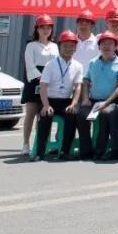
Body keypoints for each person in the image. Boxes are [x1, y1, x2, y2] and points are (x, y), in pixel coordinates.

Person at [32, 31, 85, 161]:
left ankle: (65, 151)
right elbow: (43, 86)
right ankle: (39, 153)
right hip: (50, 100)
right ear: (59, 46)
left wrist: (74, 104)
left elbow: (78, 87)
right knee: (45, 117)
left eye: (71, 46)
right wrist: (46, 105)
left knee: (72, 116)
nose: (68, 49)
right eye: (65, 46)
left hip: (67, 101)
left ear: (75, 48)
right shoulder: (50, 64)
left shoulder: (78, 66)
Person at [77, 32, 118, 160]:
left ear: (115, 47)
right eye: (103, 44)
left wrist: (106, 103)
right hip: (93, 100)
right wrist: (85, 98)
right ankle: (86, 150)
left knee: (106, 113)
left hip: (112, 101)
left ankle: (102, 151)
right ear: (99, 47)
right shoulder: (93, 62)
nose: (106, 46)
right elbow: (86, 81)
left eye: (110, 44)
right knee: (81, 115)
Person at [20, 14, 58, 154]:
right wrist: (42, 78)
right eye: (42, 27)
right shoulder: (31, 45)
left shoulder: (55, 46)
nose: (45, 30)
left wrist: (51, 79)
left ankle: (42, 144)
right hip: (34, 81)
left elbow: (57, 64)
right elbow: (29, 65)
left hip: (50, 82)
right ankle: (26, 143)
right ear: (37, 29)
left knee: (44, 114)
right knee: (31, 113)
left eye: (48, 28)